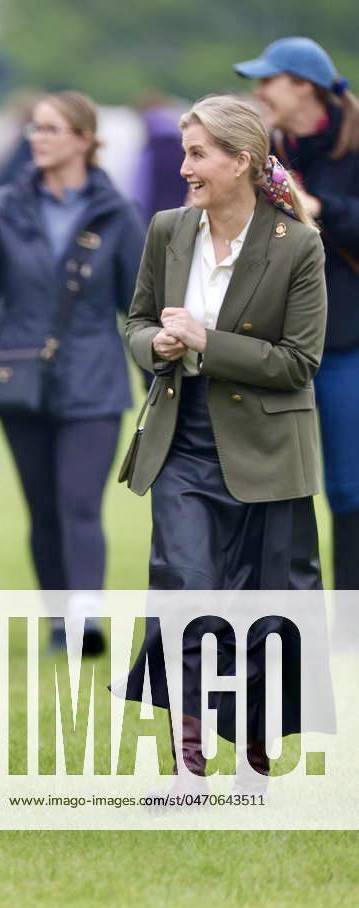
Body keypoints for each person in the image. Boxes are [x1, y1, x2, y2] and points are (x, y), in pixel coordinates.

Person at [120, 94, 327, 795]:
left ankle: (255, 766)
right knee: (186, 590)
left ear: (241, 161)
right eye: (184, 152)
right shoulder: (166, 230)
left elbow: (298, 362)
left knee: (268, 605)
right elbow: (137, 322)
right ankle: (186, 768)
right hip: (181, 444)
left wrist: (210, 342)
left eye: (198, 154)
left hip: (269, 451)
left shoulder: (295, 245)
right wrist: (158, 343)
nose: (184, 168)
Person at [0, 91, 145, 654]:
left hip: (95, 378)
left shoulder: (118, 213)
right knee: (42, 507)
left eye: (52, 129)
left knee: (79, 499)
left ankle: (85, 614)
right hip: (21, 378)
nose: (38, 138)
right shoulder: (4, 206)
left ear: (83, 139)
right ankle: (58, 617)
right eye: (34, 128)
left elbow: (139, 306)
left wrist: (158, 382)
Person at [233, 38, 359, 599]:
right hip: (275, 343)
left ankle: (351, 629)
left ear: (303, 85)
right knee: (276, 487)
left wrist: (314, 203)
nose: (259, 92)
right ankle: (284, 622)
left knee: (349, 489)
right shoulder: (265, 150)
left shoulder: (351, 151)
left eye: (269, 80)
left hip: (347, 343)